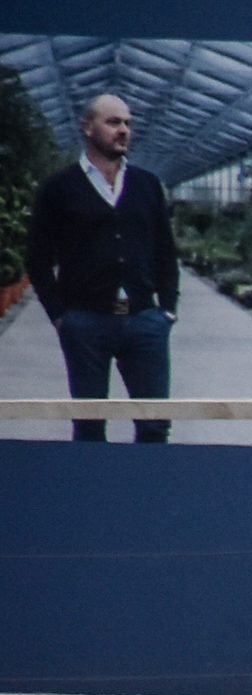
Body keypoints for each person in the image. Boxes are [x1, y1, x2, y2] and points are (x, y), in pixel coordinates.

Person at [25, 93, 179, 443]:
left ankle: (146, 495)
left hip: (144, 322)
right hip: (85, 323)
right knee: (90, 425)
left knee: (155, 423)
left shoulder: (147, 185)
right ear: (87, 128)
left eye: (127, 123)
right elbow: (37, 257)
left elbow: (166, 252)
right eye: (113, 122)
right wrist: (61, 316)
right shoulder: (59, 188)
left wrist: (167, 311)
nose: (123, 130)